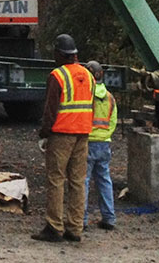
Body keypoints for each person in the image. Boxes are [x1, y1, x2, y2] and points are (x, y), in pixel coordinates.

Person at [32, 33, 94, 243]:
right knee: (77, 181)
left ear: (59, 54)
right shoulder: (88, 75)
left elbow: (50, 109)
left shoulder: (57, 76)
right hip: (83, 134)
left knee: (56, 180)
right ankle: (75, 228)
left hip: (61, 135)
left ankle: (54, 226)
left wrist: (44, 133)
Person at [83, 60, 118, 231]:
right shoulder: (110, 97)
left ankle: (81, 220)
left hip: (88, 142)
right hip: (104, 143)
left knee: (83, 181)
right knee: (104, 180)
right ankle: (109, 218)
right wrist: (105, 135)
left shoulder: (86, 95)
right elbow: (112, 121)